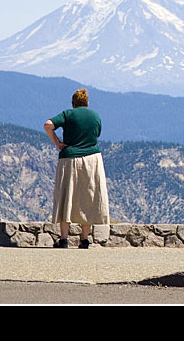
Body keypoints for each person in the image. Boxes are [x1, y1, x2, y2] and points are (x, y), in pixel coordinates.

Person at [43, 88, 110, 248]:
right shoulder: (95, 116)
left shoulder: (68, 114)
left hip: (69, 158)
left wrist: (58, 143)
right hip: (92, 159)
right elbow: (97, 134)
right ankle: (84, 239)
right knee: (89, 197)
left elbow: (48, 125)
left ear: (73, 103)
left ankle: (64, 239)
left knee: (67, 196)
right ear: (87, 102)